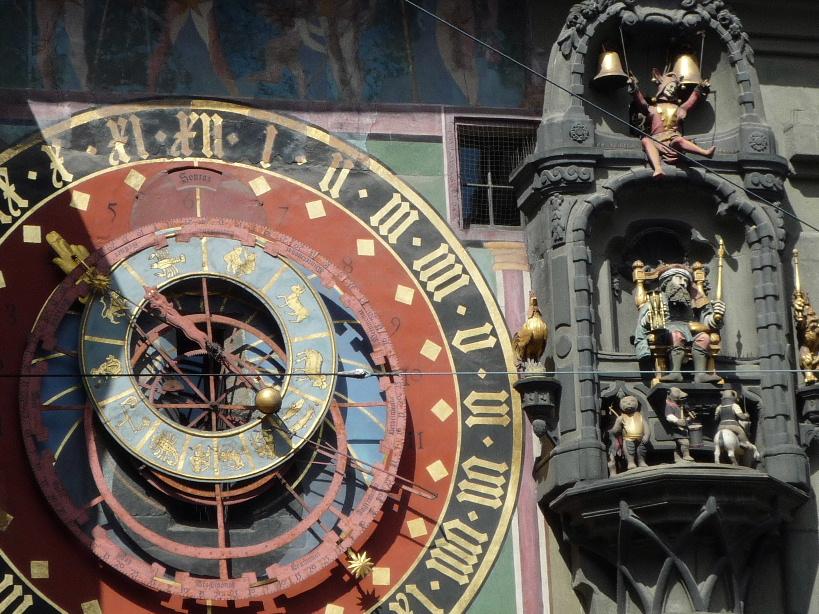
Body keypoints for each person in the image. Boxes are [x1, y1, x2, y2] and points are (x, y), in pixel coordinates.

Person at [634, 265, 725, 383]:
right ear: (667, 282)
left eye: (686, 280)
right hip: (667, 332)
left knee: (704, 337)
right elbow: (644, 322)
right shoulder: (657, 300)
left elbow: (707, 320)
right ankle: (675, 372)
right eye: (679, 278)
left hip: (690, 331)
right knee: (676, 335)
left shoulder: (693, 301)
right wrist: (652, 317)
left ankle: (701, 374)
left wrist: (716, 316)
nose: (683, 283)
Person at [628, 69, 715, 178]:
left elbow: (690, 101)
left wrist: (700, 88)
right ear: (663, 87)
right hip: (656, 141)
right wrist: (634, 87)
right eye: (670, 87)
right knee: (646, 140)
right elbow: (641, 102)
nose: (672, 90)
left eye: (674, 88)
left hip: (673, 141)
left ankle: (705, 153)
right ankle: (658, 168)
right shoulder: (653, 109)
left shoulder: (679, 109)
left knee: (679, 140)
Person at [609, 396, 649, 470]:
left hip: (640, 438)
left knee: (641, 451)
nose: (628, 403)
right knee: (629, 451)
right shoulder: (621, 417)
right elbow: (615, 431)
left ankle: (641, 462)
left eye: (632, 401)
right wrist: (618, 423)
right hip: (628, 439)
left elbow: (646, 426)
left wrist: (646, 435)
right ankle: (631, 462)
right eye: (625, 402)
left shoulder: (640, 416)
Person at [664, 387, 694, 462]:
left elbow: (685, 414)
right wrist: (677, 421)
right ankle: (686, 455)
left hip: (683, 428)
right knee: (685, 442)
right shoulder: (669, 405)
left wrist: (688, 418)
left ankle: (677, 458)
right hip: (677, 429)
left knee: (677, 445)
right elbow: (669, 416)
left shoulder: (680, 405)